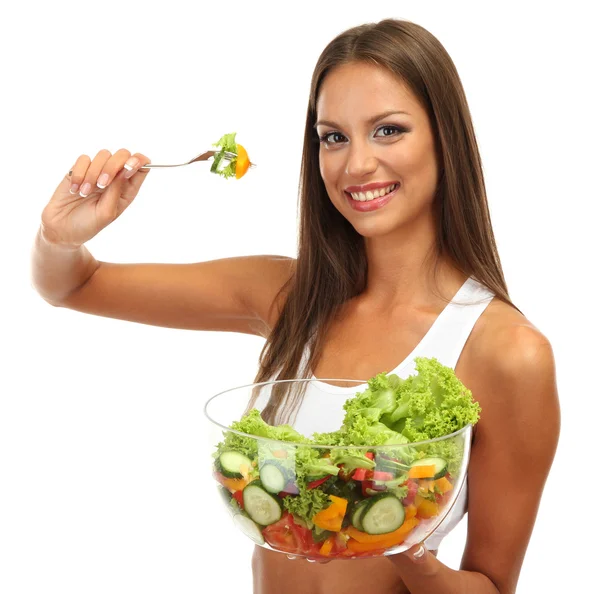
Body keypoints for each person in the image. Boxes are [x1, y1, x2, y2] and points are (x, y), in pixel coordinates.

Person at [31, 18, 560, 594]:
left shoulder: (507, 351)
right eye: (333, 137)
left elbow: (493, 586)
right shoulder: (288, 297)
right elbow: (72, 286)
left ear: (445, 137)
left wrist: (404, 543)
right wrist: (58, 238)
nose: (355, 165)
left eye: (387, 130)